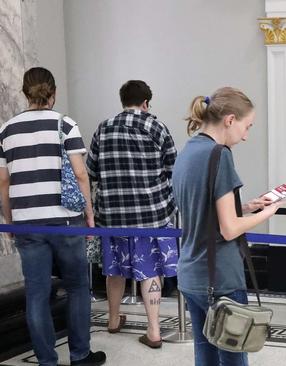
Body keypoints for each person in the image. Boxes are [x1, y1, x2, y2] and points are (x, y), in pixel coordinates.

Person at [0, 67, 106, 365]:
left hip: (26, 222)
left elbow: (3, 182)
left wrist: (9, 220)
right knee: (76, 286)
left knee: (36, 293)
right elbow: (81, 174)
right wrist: (89, 215)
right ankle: (80, 355)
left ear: (25, 92)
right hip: (65, 220)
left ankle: (47, 361)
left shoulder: (7, 130)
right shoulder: (65, 124)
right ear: (54, 92)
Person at [173, 87, 284, 366]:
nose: (246, 136)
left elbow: (200, 207)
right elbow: (229, 229)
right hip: (220, 277)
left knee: (205, 353)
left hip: (191, 273)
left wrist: (245, 207)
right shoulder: (220, 154)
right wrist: (268, 212)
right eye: (247, 127)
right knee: (234, 358)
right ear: (230, 120)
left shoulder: (189, 151)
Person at [86, 80, 178, 348]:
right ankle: (153, 330)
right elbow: (173, 168)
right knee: (151, 270)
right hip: (152, 215)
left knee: (113, 269)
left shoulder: (103, 128)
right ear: (146, 103)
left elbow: (91, 170)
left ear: (122, 101)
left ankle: (113, 319)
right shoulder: (156, 126)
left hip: (112, 215)